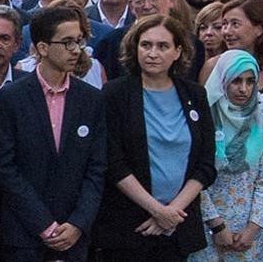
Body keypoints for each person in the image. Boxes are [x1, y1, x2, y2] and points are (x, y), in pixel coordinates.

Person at [93, 14, 217, 260]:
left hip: (178, 224)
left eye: (163, 46)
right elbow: (113, 162)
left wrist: (172, 211)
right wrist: (156, 210)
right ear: (135, 47)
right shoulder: (114, 94)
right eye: (146, 45)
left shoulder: (195, 94)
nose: (152, 53)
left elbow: (205, 163)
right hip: (129, 225)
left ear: (178, 52)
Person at [0, 5, 107, 261]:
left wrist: (78, 223)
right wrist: (44, 224)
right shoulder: (12, 97)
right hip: (25, 234)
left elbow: (96, 168)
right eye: (66, 42)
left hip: (75, 234)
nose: (76, 50)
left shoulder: (91, 100)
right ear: (42, 48)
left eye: (78, 41)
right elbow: (6, 167)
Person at [190, 50, 263, 261]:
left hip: (250, 235)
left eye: (250, 81)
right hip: (207, 230)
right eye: (236, 80)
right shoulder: (203, 122)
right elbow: (195, 178)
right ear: (222, 81)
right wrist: (217, 226)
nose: (244, 89)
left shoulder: (261, 123)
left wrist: (253, 229)